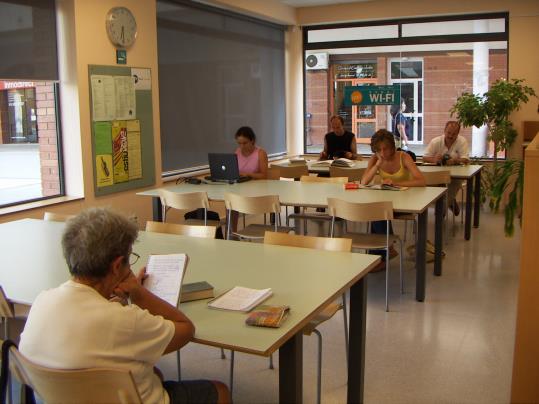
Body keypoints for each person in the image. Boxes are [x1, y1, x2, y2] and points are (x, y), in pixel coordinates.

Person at [19, 208, 230, 404]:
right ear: (117, 265)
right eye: (129, 260)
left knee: (153, 373)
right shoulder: (126, 320)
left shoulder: (42, 301)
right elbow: (185, 329)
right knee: (220, 390)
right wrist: (140, 294)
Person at [362, 129, 426, 271]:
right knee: (377, 211)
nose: (383, 153)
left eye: (386, 149)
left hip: (405, 203)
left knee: (377, 214)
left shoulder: (404, 157)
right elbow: (364, 181)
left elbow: (421, 181)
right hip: (386, 204)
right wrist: (377, 165)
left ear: (392, 146)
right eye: (378, 150)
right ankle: (384, 252)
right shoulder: (375, 159)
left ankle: (381, 255)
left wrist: (397, 184)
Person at [423, 120, 470, 216]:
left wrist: (455, 160)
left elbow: (466, 160)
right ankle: (451, 202)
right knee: (428, 188)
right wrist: (434, 160)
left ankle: (440, 215)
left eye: (454, 134)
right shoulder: (436, 141)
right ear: (444, 131)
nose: (450, 136)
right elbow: (424, 157)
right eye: (448, 133)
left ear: (458, 133)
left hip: (456, 177)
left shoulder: (462, 141)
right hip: (437, 175)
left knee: (448, 193)